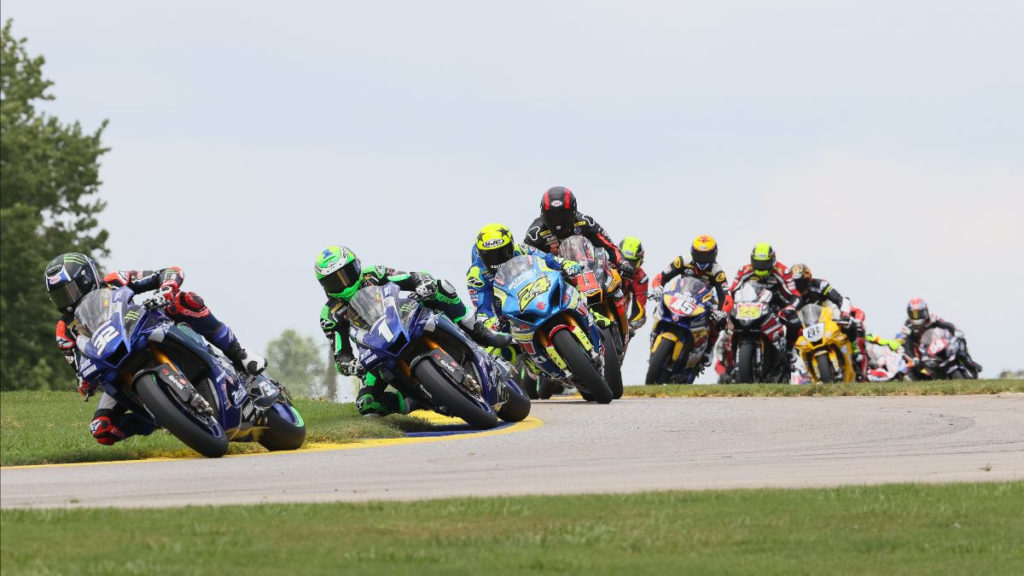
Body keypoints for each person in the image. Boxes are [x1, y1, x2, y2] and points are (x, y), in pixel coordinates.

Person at [45, 253, 266, 446]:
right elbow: (77, 362)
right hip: (114, 368)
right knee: (101, 428)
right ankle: (163, 418)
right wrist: (84, 382)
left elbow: (169, 272)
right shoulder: (64, 330)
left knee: (186, 300)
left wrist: (166, 288)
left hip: (144, 328)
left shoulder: (115, 281)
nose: (67, 300)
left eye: (69, 290)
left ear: (86, 278)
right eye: (59, 295)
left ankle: (239, 354)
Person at [317, 245, 511, 417]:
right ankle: (413, 401)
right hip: (375, 351)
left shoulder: (374, 274)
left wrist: (422, 282)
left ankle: (482, 333)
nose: (343, 283)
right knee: (366, 404)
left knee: (441, 287)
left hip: (403, 319)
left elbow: (410, 277)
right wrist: (351, 365)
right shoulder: (330, 314)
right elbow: (340, 355)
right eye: (333, 280)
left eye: (346, 273)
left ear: (357, 266)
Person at [467, 223, 581, 323]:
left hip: (539, 296)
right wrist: (489, 321)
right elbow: (483, 307)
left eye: (502, 252)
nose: (497, 259)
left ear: (511, 246)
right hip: (508, 319)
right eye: (490, 256)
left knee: (574, 296)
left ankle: (591, 319)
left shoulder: (522, 249)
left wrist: (565, 264)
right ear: (481, 255)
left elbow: (547, 259)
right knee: (496, 346)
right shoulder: (475, 274)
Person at [722, 243, 800, 375]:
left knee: (795, 323)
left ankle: (789, 350)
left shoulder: (783, 271)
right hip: (751, 304)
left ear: (772, 260)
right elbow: (731, 292)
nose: (761, 267)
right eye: (758, 263)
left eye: (765, 263)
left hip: (777, 303)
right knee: (727, 329)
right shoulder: (744, 270)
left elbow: (795, 294)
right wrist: (726, 309)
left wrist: (790, 308)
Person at [650, 235, 729, 366]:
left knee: (718, 321)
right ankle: (656, 330)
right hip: (681, 292)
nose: (703, 259)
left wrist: (722, 312)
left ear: (714, 254)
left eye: (707, 256)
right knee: (663, 301)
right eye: (699, 255)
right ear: (692, 252)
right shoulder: (682, 260)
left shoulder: (717, 271)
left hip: (705, 299)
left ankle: (709, 348)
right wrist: (657, 287)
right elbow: (662, 276)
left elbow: (725, 295)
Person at [524, 186, 634, 279]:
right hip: (555, 279)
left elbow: (608, 245)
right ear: (543, 213)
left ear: (573, 211)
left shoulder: (585, 222)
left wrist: (623, 262)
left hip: (589, 274)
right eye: (552, 216)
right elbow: (526, 261)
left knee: (615, 283)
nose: (558, 221)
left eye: (563, 215)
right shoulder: (535, 233)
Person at [789, 263, 868, 379]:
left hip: (827, 313)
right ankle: (795, 363)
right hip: (807, 322)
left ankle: (855, 349)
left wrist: (845, 315)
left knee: (850, 323)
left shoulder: (820, 284)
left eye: (802, 282)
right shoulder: (791, 294)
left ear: (809, 278)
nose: (799, 285)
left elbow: (840, 299)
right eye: (796, 283)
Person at [900, 298, 982, 374]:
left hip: (937, 343)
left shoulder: (932, 318)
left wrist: (955, 330)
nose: (917, 317)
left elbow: (945, 324)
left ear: (925, 311)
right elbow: (907, 344)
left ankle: (970, 361)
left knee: (960, 340)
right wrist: (913, 357)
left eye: (919, 313)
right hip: (921, 352)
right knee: (913, 367)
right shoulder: (907, 326)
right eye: (914, 314)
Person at [617, 237, 649, 332]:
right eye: (624, 260)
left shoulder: (641, 278)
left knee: (626, 331)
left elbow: (639, 311)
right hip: (598, 296)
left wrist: (630, 326)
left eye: (632, 262)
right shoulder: (606, 262)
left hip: (619, 307)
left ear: (640, 260)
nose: (628, 266)